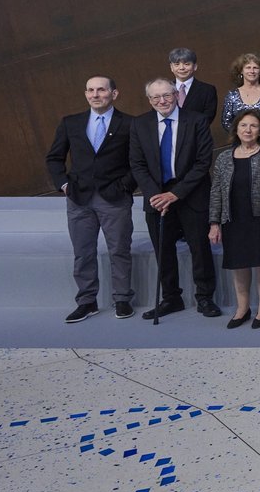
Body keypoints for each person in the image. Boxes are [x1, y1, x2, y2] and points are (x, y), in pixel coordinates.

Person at [45, 75, 137, 322]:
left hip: (114, 198)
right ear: (86, 94)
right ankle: (87, 301)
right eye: (90, 90)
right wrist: (64, 184)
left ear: (114, 94)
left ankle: (122, 299)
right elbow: (54, 158)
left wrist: (125, 186)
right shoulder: (70, 123)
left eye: (101, 90)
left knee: (119, 250)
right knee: (83, 252)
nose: (95, 94)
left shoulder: (130, 123)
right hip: (78, 197)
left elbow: (138, 162)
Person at [129, 78, 219, 319]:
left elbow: (203, 163)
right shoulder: (139, 124)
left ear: (176, 95)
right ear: (149, 100)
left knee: (200, 249)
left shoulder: (197, 120)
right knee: (163, 250)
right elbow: (136, 164)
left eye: (167, 95)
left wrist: (175, 193)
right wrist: (155, 195)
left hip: (190, 194)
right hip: (156, 197)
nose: (162, 101)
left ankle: (205, 298)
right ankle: (171, 298)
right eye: (156, 97)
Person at [208, 110, 260, 329]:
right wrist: (214, 223)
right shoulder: (224, 158)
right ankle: (242, 308)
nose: (248, 130)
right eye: (243, 126)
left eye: (253, 126)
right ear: (236, 130)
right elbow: (216, 191)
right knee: (239, 264)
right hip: (233, 217)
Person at [221, 52, 260, 133]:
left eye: (255, 68)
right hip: (240, 142)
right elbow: (226, 122)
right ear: (241, 71)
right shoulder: (232, 95)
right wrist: (243, 135)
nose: (252, 71)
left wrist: (259, 135)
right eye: (248, 67)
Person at [169, 47, 218, 127]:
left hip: (196, 136)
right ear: (171, 67)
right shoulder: (164, 89)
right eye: (177, 64)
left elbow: (208, 117)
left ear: (195, 66)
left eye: (186, 64)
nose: (181, 68)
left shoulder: (208, 90)